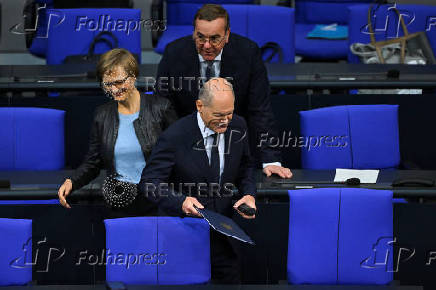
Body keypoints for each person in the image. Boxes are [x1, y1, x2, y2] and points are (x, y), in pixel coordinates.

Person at [139, 78, 256, 284]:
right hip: (184, 236)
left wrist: (248, 194)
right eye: (219, 115)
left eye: (229, 113)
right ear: (200, 106)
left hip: (226, 238)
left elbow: (246, 167)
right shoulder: (175, 135)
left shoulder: (238, 126)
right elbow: (150, 182)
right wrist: (180, 201)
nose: (225, 121)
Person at [155, 3, 292, 179]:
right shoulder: (174, 53)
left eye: (214, 38)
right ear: (193, 33)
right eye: (200, 37)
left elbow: (260, 111)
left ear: (227, 35)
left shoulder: (248, 54)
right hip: (187, 142)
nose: (206, 45)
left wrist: (271, 160)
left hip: (234, 143)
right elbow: (164, 108)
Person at [58, 48, 177, 215]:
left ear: (133, 76)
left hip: (157, 199)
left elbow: (178, 156)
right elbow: (93, 161)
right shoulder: (102, 115)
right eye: (108, 84)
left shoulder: (161, 108)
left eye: (119, 82)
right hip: (119, 198)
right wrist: (72, 181)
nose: (114, 90)